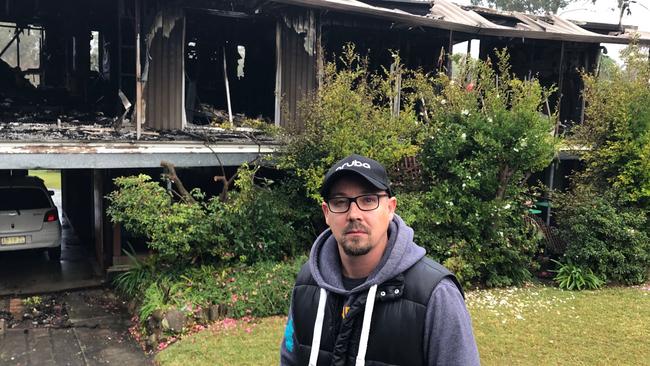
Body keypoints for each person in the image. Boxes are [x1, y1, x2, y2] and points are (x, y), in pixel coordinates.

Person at [280, 154, 480, 366]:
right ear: (326, 213)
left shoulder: (435, 295)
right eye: (340, 202)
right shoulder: (307, 282)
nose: (354, 214)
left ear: (390, 208)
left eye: (368, 200)